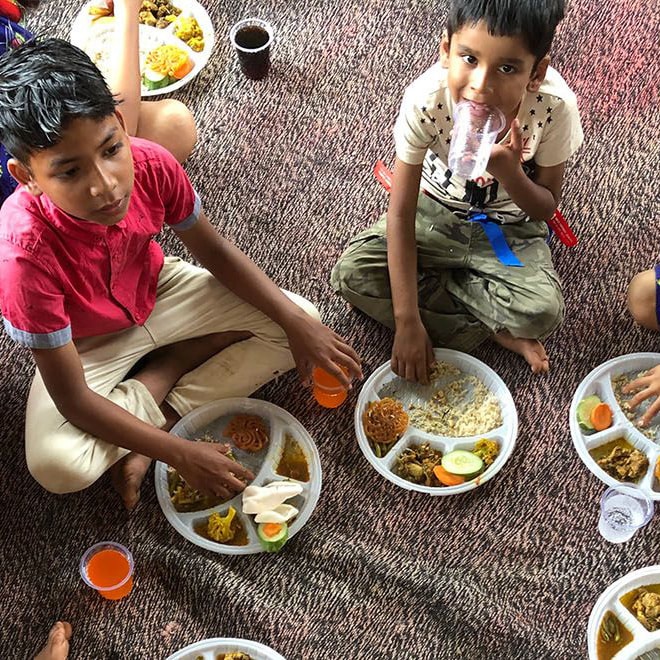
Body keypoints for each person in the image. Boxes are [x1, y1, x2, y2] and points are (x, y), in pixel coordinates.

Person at [0, 38, 362, 510]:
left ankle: (165, 403)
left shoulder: (152, 163)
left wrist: (295, 324)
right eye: (69, 172)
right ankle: (173, 373)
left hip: (157, 286)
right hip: (83, 340)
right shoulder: (21, 256)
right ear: (26, 177)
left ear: (123, 126)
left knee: (302, 318)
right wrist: (182, 455)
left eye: (112, 148)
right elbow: (73, 401)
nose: (106, 184)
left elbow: (214, 251)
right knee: (58, 466)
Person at [331, 0, 583, 381]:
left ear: (536, 72)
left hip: (509, 227)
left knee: (543, 313)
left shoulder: (554, 107)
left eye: (507, 68)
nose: (481, 85)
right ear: (446, 50)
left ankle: (453, 303)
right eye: (468, 58)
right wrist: (406, 321)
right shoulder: (427, 99)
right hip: (434, 213)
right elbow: (400, 212)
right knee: (351, 273)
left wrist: (509, 172)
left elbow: (545, 208)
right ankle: (494, 325)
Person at [0, 0, 196, 210]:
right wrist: (127, 9)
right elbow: (119, 122)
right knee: (174, 125)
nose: (107, 184)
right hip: (32, 191)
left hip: (44, 157)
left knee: (172, 124)